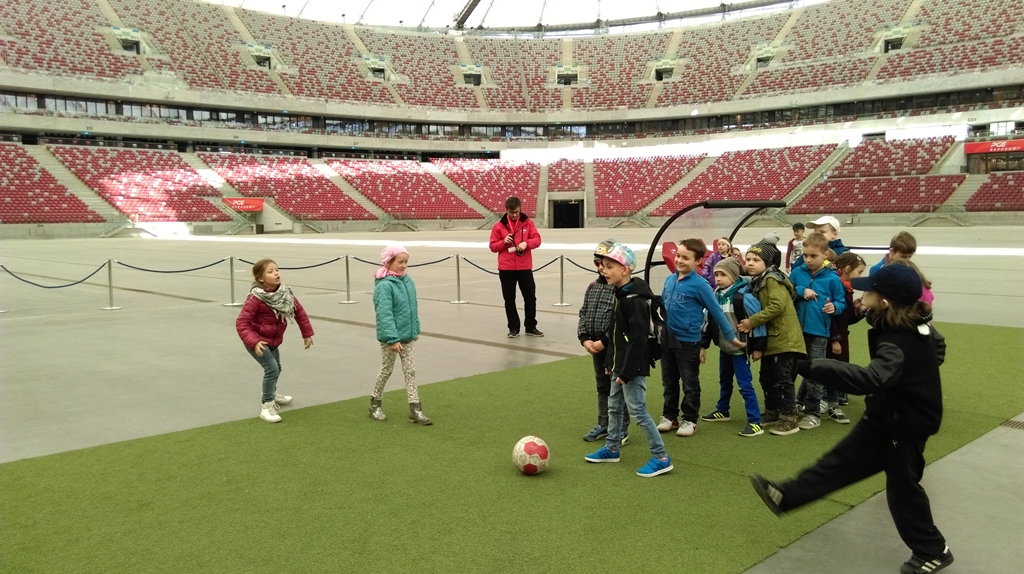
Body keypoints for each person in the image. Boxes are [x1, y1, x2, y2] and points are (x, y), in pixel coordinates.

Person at [750, 264, 953, 574]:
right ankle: (787, 496)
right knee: (840, 461)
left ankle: (933, 550)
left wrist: (811, 366)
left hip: (907, 425)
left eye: (869, 290)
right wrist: (915, 372)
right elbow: (932, 347)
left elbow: (871, 378)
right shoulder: (904, 320)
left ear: (885, 301)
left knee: (903, 490)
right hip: (886, 415)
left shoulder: (901, 338)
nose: (863, 291)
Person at [584, 244, 673, 478]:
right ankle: (612, 448)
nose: (604, 270)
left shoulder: (634, 300)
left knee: (638, 411)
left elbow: (638, 339)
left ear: (625, 270)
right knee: (614, 406)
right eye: (603, 266)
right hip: (618, 364)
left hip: (632, 367)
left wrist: (627, 371)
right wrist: (610, 363)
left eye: (610, 266)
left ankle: (661, 457)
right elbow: (615, 333)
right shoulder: (619, 294)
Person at [657, 238, 743, 438]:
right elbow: (662, 307)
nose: (679, 260)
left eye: (686, 258)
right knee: (668, 382)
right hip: (667, 340)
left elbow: (716, 312)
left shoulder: (701, 285)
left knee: (689, 382)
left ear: (697, 262)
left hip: (688, 342)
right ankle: (670, 416)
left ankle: (690, 419)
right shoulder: (670, 280)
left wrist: (730, 336)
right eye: (678, 256)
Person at [737, 237, 805, 436]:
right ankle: (772, 411)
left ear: (767, 263)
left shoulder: (772, 279)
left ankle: (789, 418)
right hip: (772, 339)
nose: (749, 263)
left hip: (785, 338)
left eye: (755, 260)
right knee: (767, 378)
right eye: (747, 259)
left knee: (783, 380)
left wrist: (752, 322)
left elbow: (777, 306)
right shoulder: (759, 281)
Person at [236, 259, 314, 423]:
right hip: (258, 342)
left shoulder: (285, 293)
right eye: (270, 271)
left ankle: (272, 394)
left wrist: (307, 334)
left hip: (273, 340)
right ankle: (267, 406)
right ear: (261, 279)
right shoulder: (255, 298)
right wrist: (254, 341)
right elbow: (241, 322)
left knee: (276, 368)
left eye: (277, 270)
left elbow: (299, 312)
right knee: (271, 369)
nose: (276, 273)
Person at [700, 257, 767, 437]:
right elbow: (707, 321)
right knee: (724, 380)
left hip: (740, 350)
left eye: (723, 274)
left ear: (734, 275)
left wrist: (758, 347)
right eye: (716, 275)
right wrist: (703, 345)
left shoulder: (743, 297)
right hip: (724, 348)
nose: (718, 278)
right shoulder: (715, 295)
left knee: (745, 385)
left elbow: (758, 323)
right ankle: (723, 410)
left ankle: (755, 422)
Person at [790, 232, 847, 429]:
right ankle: (789, 407)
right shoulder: (797, 273)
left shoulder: (832, 278)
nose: (808, 259)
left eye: (813, 255)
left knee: (815, 373)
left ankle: (813, 413)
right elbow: (787, 289)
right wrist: (800, 291)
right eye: (805, 255)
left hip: (820, 333)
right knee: (791, 370)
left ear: (825, 254)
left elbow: (841, 302)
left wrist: (835, 308)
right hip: (796, 332)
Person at [370, 245, 431, 425]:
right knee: (386, 370)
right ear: (389, 262)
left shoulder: (407, 281)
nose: (404, 266)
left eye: (406, 262)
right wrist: (393, 339)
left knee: (410, 371)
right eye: (400, 262)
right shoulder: (384, 286)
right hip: (392, 339)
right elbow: (384, 314)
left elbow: (413, 308)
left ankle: (415, 409)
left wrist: (415, 329)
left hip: (408, 336)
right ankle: (375, 403)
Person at [578, 239, 630, 443]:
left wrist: (605, 341)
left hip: (614, 348)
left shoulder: (618, 288)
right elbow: (583, 313)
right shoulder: (592, 287)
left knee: (618, 386)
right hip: (595, 347)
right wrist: (584, 339)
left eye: (606, 264)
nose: (601, 268)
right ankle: (604, 423)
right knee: (602, 386)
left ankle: (622, 427)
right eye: (597, 263)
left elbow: (620, 321)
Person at [489, 196, 543, 338]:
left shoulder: (528, 223)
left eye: (516, 212)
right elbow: (493, 246)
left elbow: (537, 240)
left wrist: (527, 243)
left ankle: (531, 327)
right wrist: (503, 242)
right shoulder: (498, 226)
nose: (514, 215)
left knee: (530, 298)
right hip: (506, 269)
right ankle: (513, 327)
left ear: (520, 210)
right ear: (506, 210)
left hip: (524, 267)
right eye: (511, 212)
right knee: (509, 299)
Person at [829, 251, 868, 406]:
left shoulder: (848, 290)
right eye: (859, 272)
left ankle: (838, 392)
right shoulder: (837, 287)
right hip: (834, 335)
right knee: (833, 365)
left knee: (842, 363)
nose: (860, 276)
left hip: (842, 333)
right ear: (847, 269)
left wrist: (859, 309)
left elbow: (847, 319)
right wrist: (835, 339)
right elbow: (831, 317)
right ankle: (827, 397)